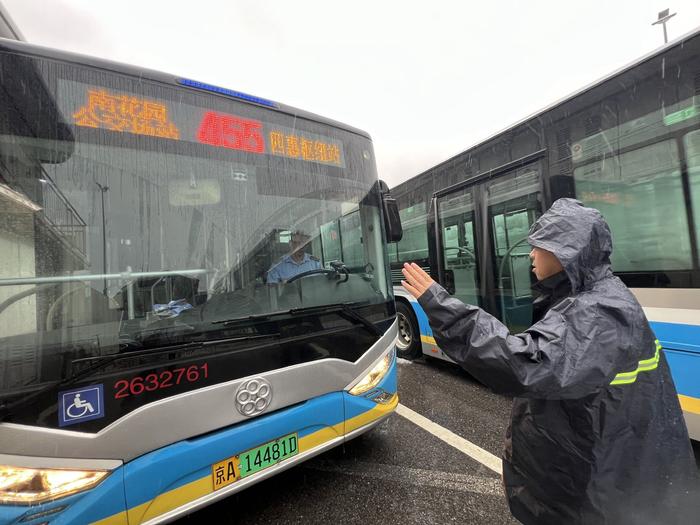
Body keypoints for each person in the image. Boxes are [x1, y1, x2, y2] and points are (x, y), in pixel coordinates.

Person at [401, 198, 698, 525]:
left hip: (593, 494)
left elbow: (522, 364)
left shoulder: (597, 313)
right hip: (596, 477)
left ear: (565, 251)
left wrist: (442, 306)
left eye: (538, 245)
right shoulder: (595, 298)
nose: (530, 254)